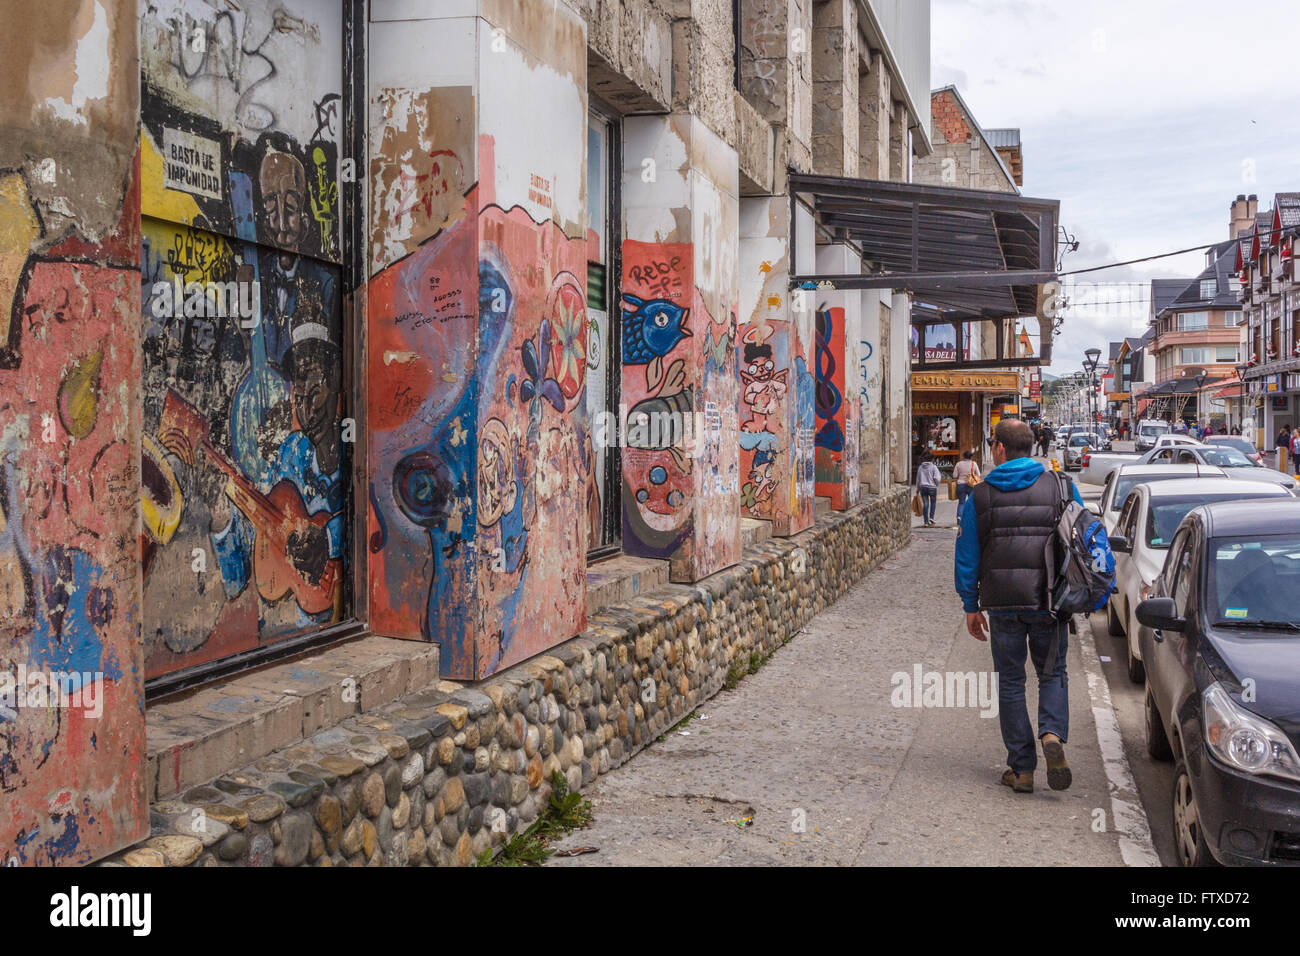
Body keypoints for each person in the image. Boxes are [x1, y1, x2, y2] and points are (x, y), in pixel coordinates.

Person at [955, 418, 1110, 794]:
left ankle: (1022, 769)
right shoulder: (1061, 485)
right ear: (1031, 447)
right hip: (1050, 600)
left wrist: (970, 604)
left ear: (1001, 450)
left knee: (1010, 682)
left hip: (1002, 603)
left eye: (994, 443)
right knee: (1052, 674)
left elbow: (967, 555)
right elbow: (1080, 537)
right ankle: (1052, 734)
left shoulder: (981, 495)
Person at [952, 449, 981, 518]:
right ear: (971, 457)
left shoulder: (958, 464)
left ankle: (959, 516)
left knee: (961, 502)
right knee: (971, 502)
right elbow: (978, 474)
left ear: (963, 456)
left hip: (961, 485)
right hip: (971, 485)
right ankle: (971, 517)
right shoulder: (974, 464)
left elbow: (954, 476)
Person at [915, 453, 941, 527]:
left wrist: (917, 488)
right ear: (932, 459)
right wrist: (936, 484)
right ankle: (931, 518)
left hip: (923, 487)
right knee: (933, 502)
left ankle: (926, 521)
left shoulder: (920, 467)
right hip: (932, 487)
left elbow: (918, 479)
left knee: (925, 504)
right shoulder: (933, 467)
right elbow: (937, 478)